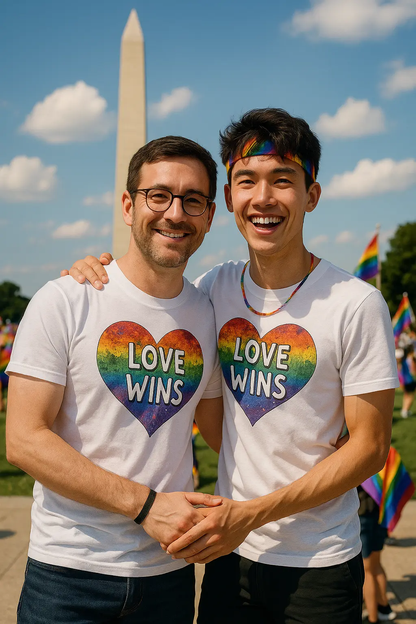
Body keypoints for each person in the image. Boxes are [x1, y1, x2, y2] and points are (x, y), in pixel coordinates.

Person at [64, 108, 398, 624]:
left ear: (311, 195)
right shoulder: (215, 289)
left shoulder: (355, 304)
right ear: (229, 199)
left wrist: (252, 514)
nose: (263, 198)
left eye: (282, 180)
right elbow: (151, 295)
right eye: (247, 181)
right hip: (228, 555)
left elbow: (371, 448)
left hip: (318, 560)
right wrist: (92, 271)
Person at [6, 136, 226, 624]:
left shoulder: (208, 314)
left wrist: (322, 436)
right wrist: (147, 507)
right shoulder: (66, 299)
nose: (175, 212)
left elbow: (223, 431)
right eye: (159, 195)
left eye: (193, 200)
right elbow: (23, 440)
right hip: (68, 573)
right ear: (129, 205)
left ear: (209, 217)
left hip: (167, 572)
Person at [358, 487, 397, 623]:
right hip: (379, 511)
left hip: (362, 512)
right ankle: (384, 608)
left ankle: (372, 618)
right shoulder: (385, 464)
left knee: (366, 571)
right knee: (375, 565)